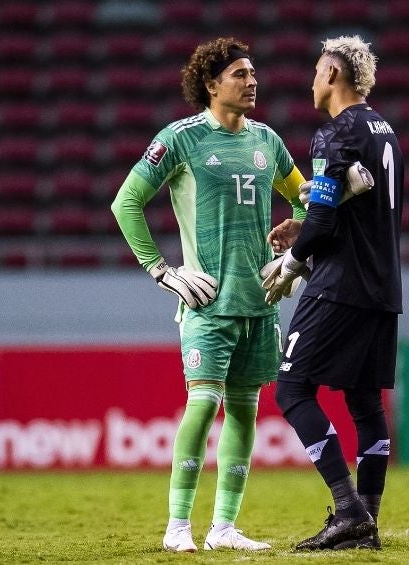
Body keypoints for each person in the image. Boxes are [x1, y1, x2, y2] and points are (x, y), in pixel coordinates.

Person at [110, 37, 308, 552]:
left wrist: (296, 245)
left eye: (253, 73)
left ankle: (223, 527)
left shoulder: (268, 141)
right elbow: (126, 202)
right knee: (202, 405)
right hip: (207, 302)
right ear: (210, 84)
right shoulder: (181, 139)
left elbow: (307, 198)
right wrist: (161, 269)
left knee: (245, 412)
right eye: (240, 74)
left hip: (261, 302)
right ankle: (178, 526)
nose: (252, 81)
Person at [263, 35, 404, 551]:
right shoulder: (386, 133)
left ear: (332, 75)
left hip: (340, 285)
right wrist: (305, 230)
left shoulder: (335, 135)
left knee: (291, 389)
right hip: (383, 285)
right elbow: (353, 212)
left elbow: (323, 217)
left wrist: (291, 263)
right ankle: (368, 524)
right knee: (366, 404)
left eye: (317, 71)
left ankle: (348, 510)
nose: (311, 81)